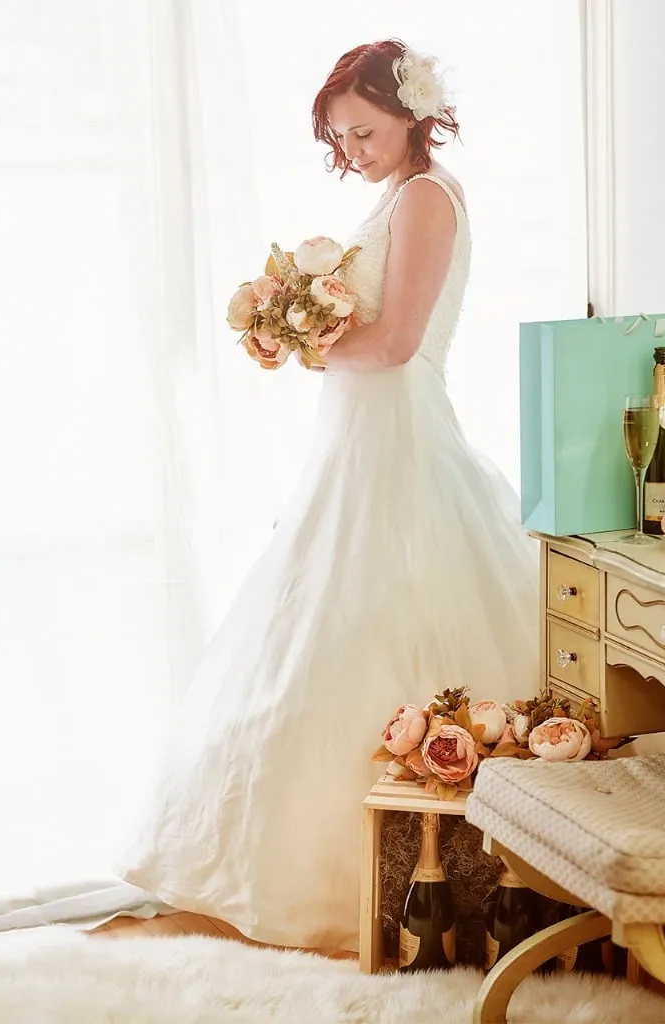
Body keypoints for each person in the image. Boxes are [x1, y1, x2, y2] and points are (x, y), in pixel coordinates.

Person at [116, 38, 539, 953]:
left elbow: (394, 344)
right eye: (339, 137)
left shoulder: (427, 197)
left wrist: (297, 340)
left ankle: (414, 885)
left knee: (378, 619)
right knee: (308, 626)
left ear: (411, 117)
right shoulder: (391, 196)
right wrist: (292, 328)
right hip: (354, 434)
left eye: (363, 131)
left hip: (398, 433)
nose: (349, 150)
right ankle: (287, 869)